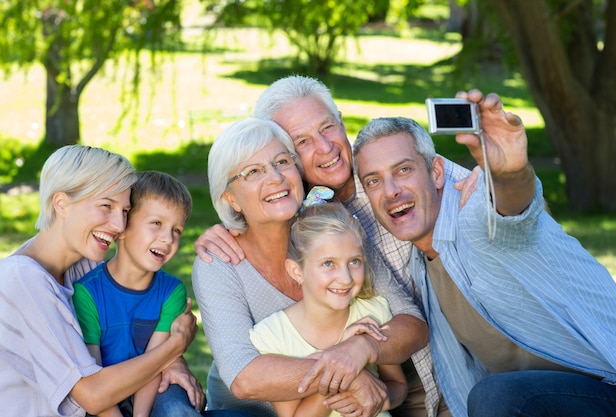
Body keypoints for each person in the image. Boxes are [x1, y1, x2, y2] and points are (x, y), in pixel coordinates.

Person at [194, 75, 460, 417]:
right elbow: (244, 378)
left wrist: (358, 351)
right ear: (230, 198)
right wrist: (347, 374)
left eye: (282, 162)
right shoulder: (219, 259)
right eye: (254, 172)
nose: (275, 178)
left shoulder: (328, 231)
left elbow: (411, 322)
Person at [351, 90, 616, 417]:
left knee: (496, 395)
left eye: (403, 170)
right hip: (550, 403)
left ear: (437, 172)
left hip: (612, 388)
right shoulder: (421, 268)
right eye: (373, 181)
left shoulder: (475, 214)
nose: (391, 191)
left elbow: (512, 211)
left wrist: (509, 174)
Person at [0, 145, 198, 417]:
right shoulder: (21, 278)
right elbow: (92, 396)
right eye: (106, 206)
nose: (119, 225)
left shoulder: (85, 263)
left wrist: (173, 362)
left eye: (125, 210)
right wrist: (175, 346)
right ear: (61, 204)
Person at [250, 202, 408, 416]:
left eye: (354, 261)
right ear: (296, 271)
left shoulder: (373, 312)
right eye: (328, 264)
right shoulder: (272, 335)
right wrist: (342, 368)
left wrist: (377, 399)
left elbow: (398, 386)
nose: (345, 278)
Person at [73, 170, 205, 417]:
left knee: (179, 410)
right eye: (156, 223)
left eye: (176, 230)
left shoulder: (171, 292)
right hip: (102, 398)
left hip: (152, 388)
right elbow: (94, 380)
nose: (167, 238)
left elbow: (154, 365)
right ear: (122, 228)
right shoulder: (87, 293)